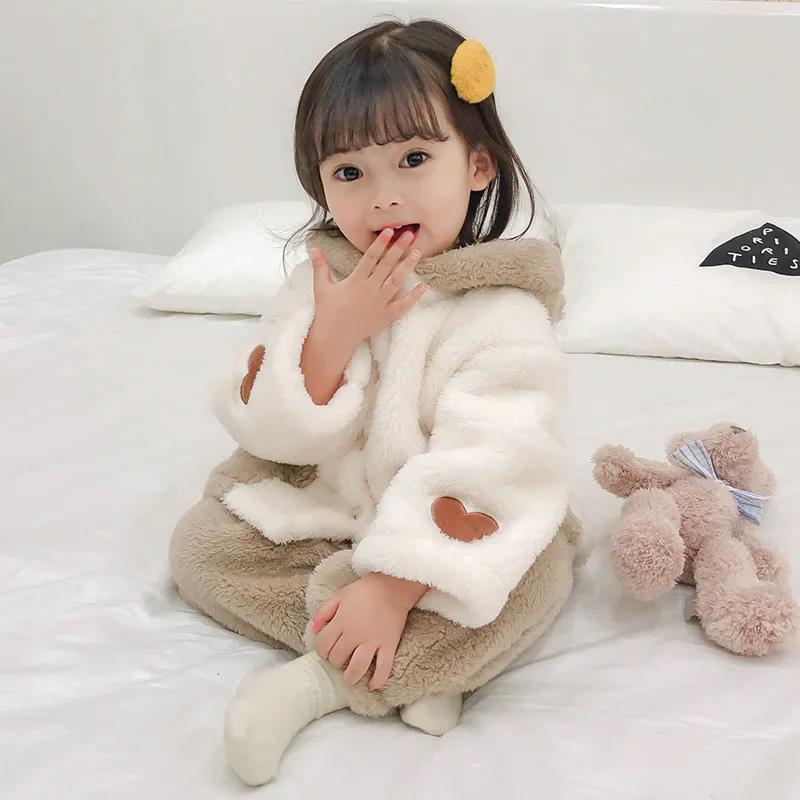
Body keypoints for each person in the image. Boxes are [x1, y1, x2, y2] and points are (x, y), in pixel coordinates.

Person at [169, 17, 580, 787]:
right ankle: (416, 668)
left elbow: (497, 460)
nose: (384, 198)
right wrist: (333, 333)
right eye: (350, 172)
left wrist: (394, 588)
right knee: (200, 548)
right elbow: (268, 429)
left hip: (445, 534)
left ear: (478, 165)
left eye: (414, 159)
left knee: (533, 578)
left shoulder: (505, 313)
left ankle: (318, 681)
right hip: (331, 512)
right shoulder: (322, 282)